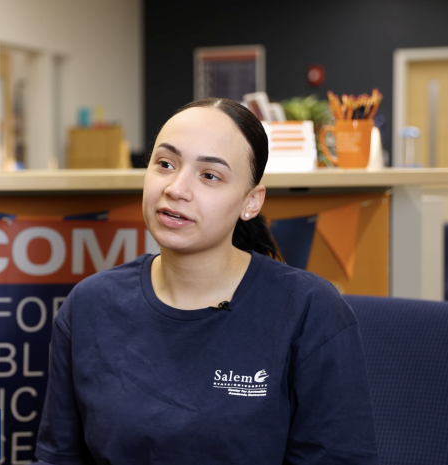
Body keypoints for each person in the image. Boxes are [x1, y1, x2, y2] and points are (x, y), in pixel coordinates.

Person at [34, 97, 378, 464]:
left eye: (209, 175)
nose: (176, 189)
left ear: (251, 202)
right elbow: (58, 456)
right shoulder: (90, 304)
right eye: (165, 164)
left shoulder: (311, 311)